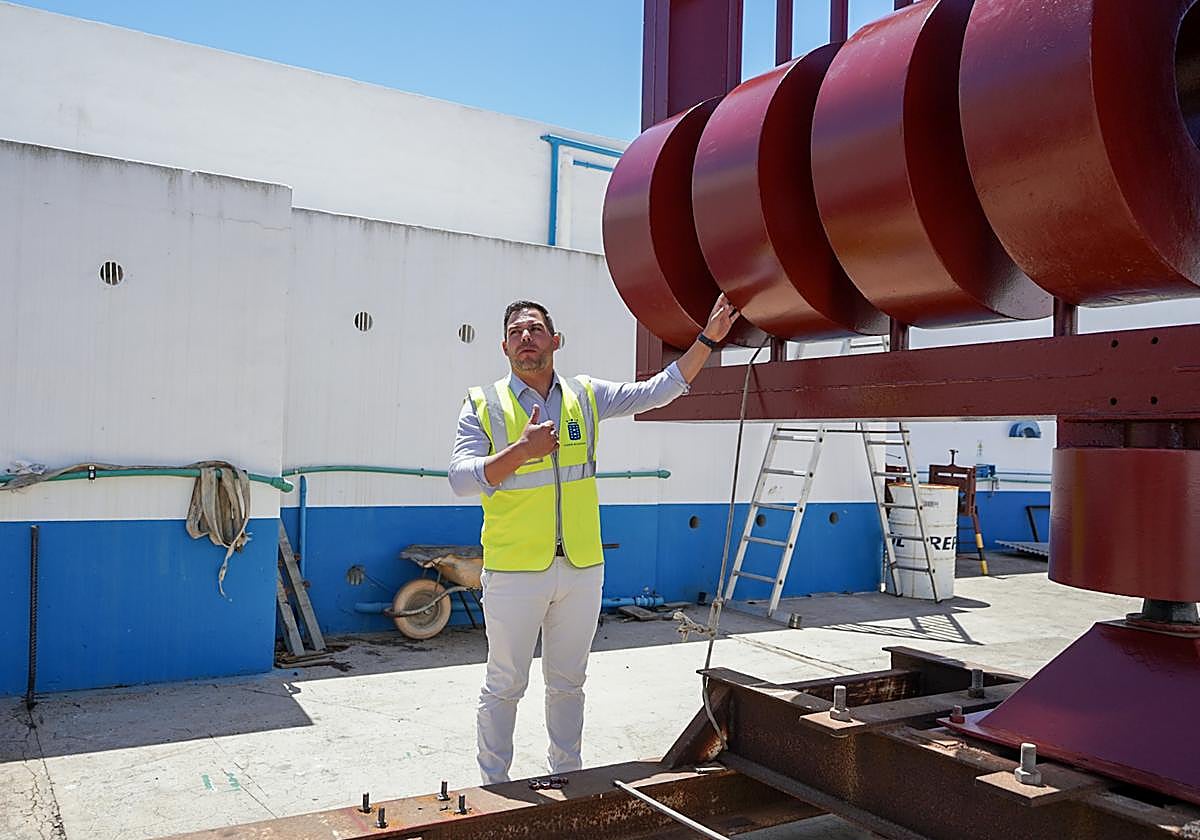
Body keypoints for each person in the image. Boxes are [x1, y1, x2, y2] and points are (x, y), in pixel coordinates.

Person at [448, 294, 739, 785]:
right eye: (517, 331)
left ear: (555, 341)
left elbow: (659, 390)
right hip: (515, 570)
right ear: (503, 346)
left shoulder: (585, 395)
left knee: (568, 683)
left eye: (536, 329)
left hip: (581, 568)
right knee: (504, 684)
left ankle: (568, 777)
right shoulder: (483, 404)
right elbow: (460, 478)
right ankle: (494, 786)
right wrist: (520, 451)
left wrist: (707, 339)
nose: (526, 338)